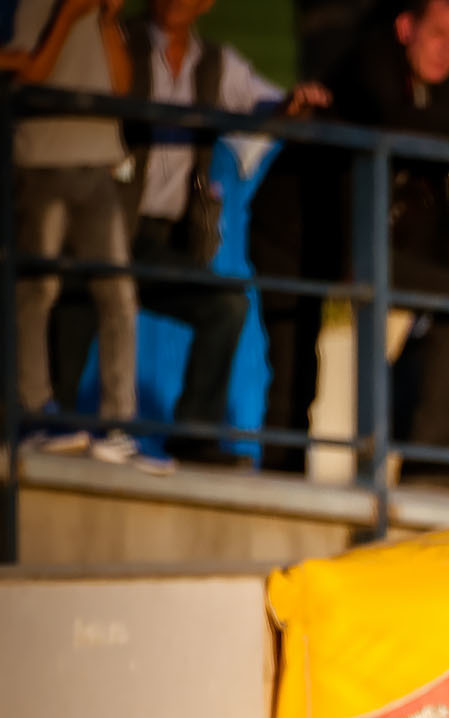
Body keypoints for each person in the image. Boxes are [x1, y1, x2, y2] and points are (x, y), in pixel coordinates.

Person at [248, 0, 449, 476]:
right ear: (406, 26)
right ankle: (281, 474)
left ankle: (431, 459)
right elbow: (393, 119)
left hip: (367, 241)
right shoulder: (369, 61)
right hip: (298, 231)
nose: (447, 52)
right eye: (438, 35)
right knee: (293, 366)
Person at [46, 0, 329, 466]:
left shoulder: (217, 65)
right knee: (80, 294)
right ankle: (55, 424)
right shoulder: (119, 43)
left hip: (159, 238)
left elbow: (272, 107)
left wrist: (294, 105)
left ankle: (194, 435)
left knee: (224, 304)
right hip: (103, 221)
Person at [7, 0, 152, 466]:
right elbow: (31, 73)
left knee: (118, 294)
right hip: (43, 162)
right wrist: (67, 17)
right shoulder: (33, 5)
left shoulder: (100, 12)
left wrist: (107, 20)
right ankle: (33, 412)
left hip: (98, 164)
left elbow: (123, 87)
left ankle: (118, 424)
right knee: (37, 290)